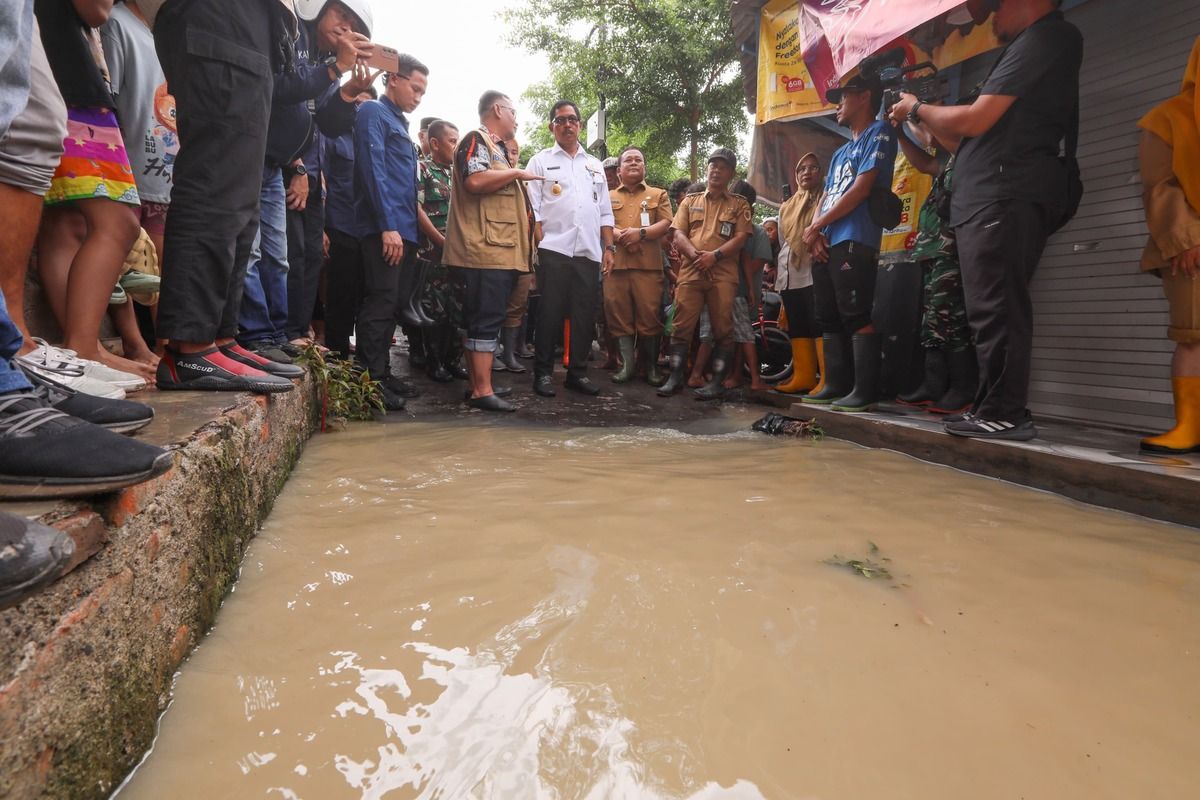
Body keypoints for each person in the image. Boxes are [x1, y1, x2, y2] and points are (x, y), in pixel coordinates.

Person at [0, 6, 172, 608]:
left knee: (70, 222)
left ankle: (46, 349)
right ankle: (65, 345)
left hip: (71, 87)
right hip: (75, 93)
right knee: (107, 221)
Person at [889, 0, 1082, 440]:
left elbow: (975, 120)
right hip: (988, 194)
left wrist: (918, 108)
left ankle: (1005, 411)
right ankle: (990, 404)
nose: (992, 17)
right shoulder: (1028, 45)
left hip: (1006, 193)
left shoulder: (1049, 36)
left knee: (998, 308)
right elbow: (963, 144)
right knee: (985, 311)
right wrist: (911, 120)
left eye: (997, 7)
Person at [149, 0, 299, 393]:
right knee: (216, 179)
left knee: (240, 200)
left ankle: (218, 339)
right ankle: (190, 347)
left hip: (249, 25)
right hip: (219, 15)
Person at [238, 0, 373, 367]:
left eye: (354, 25)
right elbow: (278, 87)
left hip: (277, 163)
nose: (346, 28)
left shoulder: (324, 60)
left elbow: (327, 123)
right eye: (341, 16)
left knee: (278, 258)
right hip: (252, 153)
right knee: (251, 252)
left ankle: (277, 335)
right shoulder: (293, 35)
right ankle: (254, 335)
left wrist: (348, 90)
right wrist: (335, 70)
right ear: (318, 9)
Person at [32, 0, 149, 391]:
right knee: (117, 221)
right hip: (69, 80)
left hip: (49, 72)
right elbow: (96, 9)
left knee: (66, 222)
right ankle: (83, 348)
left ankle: (83, 349)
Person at [801, 72, 897, 412]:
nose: (838, 104)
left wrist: (818, 226)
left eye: (844, 96)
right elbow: (828, 196)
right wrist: (815, 233)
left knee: (855, 312)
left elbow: (861, 188)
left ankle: (864, 389)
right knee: (827, 315)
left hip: (856, 236)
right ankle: (834, 383)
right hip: (828, 238)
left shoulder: (879, 133)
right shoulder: (841, 151)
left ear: (865, 96)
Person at [441, 89, 540, 412]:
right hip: (485, 250)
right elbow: (476, 181)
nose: (517, 119)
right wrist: (516, 172)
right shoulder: (477, 139)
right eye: (513, 112)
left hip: (498, 249)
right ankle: (482, 390)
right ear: (498, 110)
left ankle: (478, 386)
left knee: (484, 319)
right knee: (485, 319)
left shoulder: (496, 148)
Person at [99, 0, 175, 368]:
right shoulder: (117, 24)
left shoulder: (162, 34)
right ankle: (135, 343)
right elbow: (108, 97)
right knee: (123, 265)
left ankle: (168, 349)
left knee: (158, 271)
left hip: (163, 173)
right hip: (127, 167)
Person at [353, 56, 429, 411]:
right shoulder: (373, 114)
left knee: (394, 303)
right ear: (393, 79)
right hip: (386, 229)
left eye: (423, 92)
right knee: (380, 300)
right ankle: (369, 382)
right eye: (415, 88)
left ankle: (382, 373)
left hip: (404, 230)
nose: (418, 97)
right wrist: (387, 227)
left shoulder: (399, 122)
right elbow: (373, 171)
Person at [1137, 36, 1200, 454]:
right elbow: (1160, 185)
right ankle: (1189, 428)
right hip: (1192, 248)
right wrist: (1186, 238)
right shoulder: (1168, 118)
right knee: (1194, 336)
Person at [526, 99, 614, 398]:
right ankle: (542, 375)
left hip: (588, 251)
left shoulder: (594, 165)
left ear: (579, 125)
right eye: (561, 120)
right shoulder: (539, 161)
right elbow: (533, 206)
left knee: (583, 315)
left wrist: (609, 247)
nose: (567, 125)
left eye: (572, 119)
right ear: (552, 126)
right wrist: (538, 240)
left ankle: (577, 374)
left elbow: (604, 210)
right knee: (549, 313)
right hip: (554, 249)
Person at [892, 118, 976, 414]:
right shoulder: (949, 162)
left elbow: (930, 138)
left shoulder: (969, 154)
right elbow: (924, 162)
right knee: (932, 323)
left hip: (951, 250)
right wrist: (900, 132)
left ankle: (964, 389)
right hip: (932, 251)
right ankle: (934, 385)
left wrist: (912, 113)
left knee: (951, 319)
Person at [657, 147, 752, 399]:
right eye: (713, 165)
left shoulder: (739, 205)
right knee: (681, 326)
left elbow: (741, 238)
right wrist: (695, 256)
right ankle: (675, 378)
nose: (716, 170)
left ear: (731, 173)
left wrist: (715, 256)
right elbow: (677, 233)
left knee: (723, 328)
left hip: (722, 274)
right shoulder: (690, 201)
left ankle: (716, 383)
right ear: (707, 169)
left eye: (722, 166)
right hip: (691, 272)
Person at [604, 145, 672, 385]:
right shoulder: (607, 195)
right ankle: (627, 366)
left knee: (650, 316)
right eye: (628, 160)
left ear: (644, 167)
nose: (633, 163)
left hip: (648, 268)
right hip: (616, 267)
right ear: (619, 170)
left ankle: (651, 367)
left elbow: (666, 223)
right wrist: (620, 234)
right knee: (618, 316)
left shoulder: (658, 194)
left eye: (638, 160)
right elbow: (599, 222)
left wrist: (640, 234)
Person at [321, 84, 375, 360]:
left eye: (365, 105)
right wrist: (321, 228)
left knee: (367, 295)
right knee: (341, 293)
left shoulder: (374, 143)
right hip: (340, 224)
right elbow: (322, 182)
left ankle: (364, 357)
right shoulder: (333, 136)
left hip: (371, 230)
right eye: (355, 103)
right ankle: (337, 352)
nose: (359, 110)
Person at [415, 118, 462, 383]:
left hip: (459, 255)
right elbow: (416, 207)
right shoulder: (423, 169)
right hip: (433, 254)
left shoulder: (459, 173)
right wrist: (440, 240)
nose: (457, 147)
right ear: (434, 143)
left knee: (457, 309)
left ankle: (453, 361)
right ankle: (434, 363)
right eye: (452, 141)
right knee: (434, 310)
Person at [773, 154, 823, 394]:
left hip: (815, 268)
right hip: (790, 271)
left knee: (819, 323)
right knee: (799, 325)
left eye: (813, 167)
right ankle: (803, 377)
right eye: (802, 168)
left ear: (821, 172)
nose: (807, 172)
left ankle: (826, 379)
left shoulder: (827, 197)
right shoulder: (787, 206)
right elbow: (784, 240)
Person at [495, 136, 534, 374]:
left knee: (517, 307)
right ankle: (491, 354)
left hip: (524, 255)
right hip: (499, 253)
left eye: (515, 152)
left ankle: (509, 353)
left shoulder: (524, 184)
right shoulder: (492, 180)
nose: (512, 156)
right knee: (494, 306)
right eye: (508, 152)